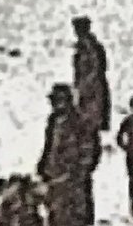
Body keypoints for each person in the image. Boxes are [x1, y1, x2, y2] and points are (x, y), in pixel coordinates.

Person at [39, 84, 100, 226]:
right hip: (54, 180)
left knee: (76, 216)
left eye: (58, 101)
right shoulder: (53, 121)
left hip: (74, 182)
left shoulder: (81, 122)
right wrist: (43, 167)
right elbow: (49, 147)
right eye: (53, 101)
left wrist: (78, 173)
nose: (55, 105)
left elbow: (90, 152)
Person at [72, 17, 112, 138]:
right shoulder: (82, 47)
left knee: (90, 124)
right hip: (86, 91)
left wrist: (84, 85)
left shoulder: (91, 48)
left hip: (92, 91)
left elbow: (96, 69)